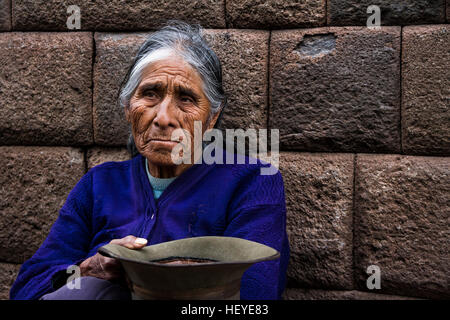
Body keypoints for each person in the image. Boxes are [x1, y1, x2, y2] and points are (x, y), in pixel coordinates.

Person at [10, 20, 290, 300]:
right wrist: (86, 270)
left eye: (186, 98)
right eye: (150, 94)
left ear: (211, 118)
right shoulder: (99, 184)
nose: (163, 118)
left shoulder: (253, 182)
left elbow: (257, 295)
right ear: (128, 108)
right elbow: (27, 288)